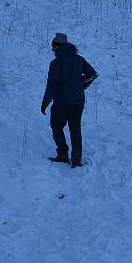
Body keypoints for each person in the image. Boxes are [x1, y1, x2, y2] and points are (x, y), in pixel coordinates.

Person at [41, 33, 98, 168]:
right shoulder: (79, 59)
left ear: (58, 47)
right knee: (75, 129)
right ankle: (76, 159)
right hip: (78, 102)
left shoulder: (56, 63)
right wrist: (81, 86)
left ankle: (62, 154)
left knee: (56, 127)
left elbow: (52, 85)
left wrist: (45, 102)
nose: (52, 50)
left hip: (62, 102)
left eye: (53, 47)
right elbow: (92, 74)